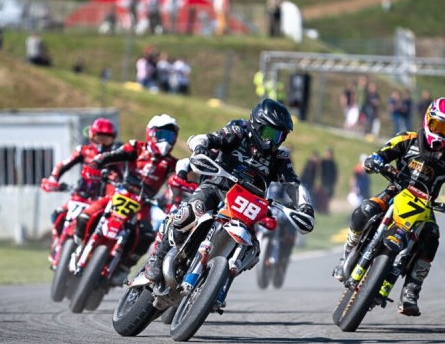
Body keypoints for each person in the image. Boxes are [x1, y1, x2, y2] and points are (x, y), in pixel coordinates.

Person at [144, 99, 315, 284]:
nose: (273, 140)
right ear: (257, 125)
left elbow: (294, 184)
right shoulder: (238, 132)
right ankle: (158, 258)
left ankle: (218, 279)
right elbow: (207, 138)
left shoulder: (280, 158)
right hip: (217, 187)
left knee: (253, 250)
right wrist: (201, 149)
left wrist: (305, 207)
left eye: (279, 136)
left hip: (250, 205)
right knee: (188, 213)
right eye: (270, 133)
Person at [332, 97, 445, 316]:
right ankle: (348, 254)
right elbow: (383, 152)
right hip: (395, 192)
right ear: (427, 120)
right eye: (437, 125)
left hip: (424, 207)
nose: (440, 133)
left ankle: (412, 289)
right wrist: (375, 160)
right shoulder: (407, 139)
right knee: (366, 210)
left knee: (432, 236)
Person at [80, 114, 182, 285]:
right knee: (85, 216)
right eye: (162, 135)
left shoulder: (172, 164)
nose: (165, 141)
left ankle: (123, 267)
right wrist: (96, 164)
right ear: (151, 133)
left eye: (170, 136)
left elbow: (175, 185)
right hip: (120, 192)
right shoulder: (135, 147)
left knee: (146, 235)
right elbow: (111, 156)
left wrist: (174, 199)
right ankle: (77, 247)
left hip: (145, 203)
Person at [41, 117, 122, 247]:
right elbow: (63, 165)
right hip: (79, 196)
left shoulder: (116, 156)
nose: (102, 143)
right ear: (92, 135)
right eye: (99, 138)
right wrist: (53, 179)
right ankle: (57, 241)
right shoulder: (83, 151)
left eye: (106, 139)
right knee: (58, 214)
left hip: (101, 202)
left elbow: (122, 176)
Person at [319, 147, 338, 213]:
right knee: (324, 196)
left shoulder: (333, 163)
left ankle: (326, 209)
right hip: (324, 182)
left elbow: (335, 173)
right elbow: (320, 172)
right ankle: (322, 209)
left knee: (329, 196)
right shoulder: (323, 162)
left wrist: (335, 182)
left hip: (330, 182)